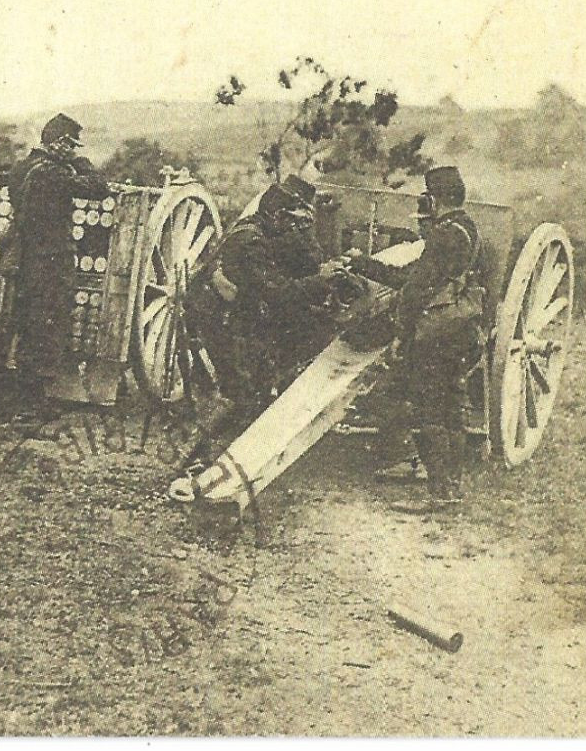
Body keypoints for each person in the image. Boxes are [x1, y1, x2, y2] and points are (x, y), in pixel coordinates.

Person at [350, 165, 486, 504]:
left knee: (429, 412)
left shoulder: (442, 235)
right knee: (453, 409)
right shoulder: (470, 230)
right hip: (461, 330)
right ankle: (451, 489)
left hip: (436, 336)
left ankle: (439, 493)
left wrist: (400, 333)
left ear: (435, 200)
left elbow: (413, 288)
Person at [186, 175, 346, 461]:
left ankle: (222, 460)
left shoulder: (261, 230)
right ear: (278, 214)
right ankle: (198, 459)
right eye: (292, 222)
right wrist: (320, 280)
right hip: (224, 323)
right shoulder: (251, 242)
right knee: (239, 397)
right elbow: (276, 293)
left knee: (253, 392)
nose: (295, 229)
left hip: (235, 318)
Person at [4, 113, 109, 396]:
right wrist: (79, 163)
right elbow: (100, 187)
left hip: (25, 258)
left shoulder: (21, 168)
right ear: (59, 144)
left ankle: (21, 391)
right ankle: (36, 397)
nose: (74, 151)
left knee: (27, 321)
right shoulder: (52, 172)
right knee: (50, 323)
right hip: (51, 260)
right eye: (72, 145)